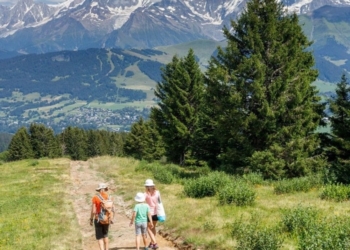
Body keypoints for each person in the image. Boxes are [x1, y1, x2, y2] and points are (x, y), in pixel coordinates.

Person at [90, 183, 112, 250]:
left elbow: (93, 211)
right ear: (105, 189)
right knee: (106, 235)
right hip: (107, 218)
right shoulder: (109, 197)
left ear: (99, 189)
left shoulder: (95, 197)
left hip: (98, 219)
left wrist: (91, 219)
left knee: (100, 237)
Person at [144, 179, 160, 249]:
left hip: (149, 213)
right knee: (153, 227)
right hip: (156, 212)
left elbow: (141, 201)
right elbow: (160, 202)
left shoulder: (145, 194)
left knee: (148, 228)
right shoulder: (157, 192)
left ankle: (155, 243)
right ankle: (151, 243)